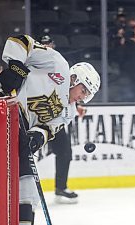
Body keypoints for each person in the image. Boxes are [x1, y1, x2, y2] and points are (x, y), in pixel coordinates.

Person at [0, 34, 100, 225]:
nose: (80, 97)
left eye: (85, 96)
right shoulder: (58, 66)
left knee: (27, 193)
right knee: (17, 192)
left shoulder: (69, 111)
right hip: (0, 115)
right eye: (82, 90)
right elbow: (21, 41)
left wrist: (36, 137)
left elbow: (49, 128)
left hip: (18, 133)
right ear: (74, 79)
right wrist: (15, 66)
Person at [37, 35, 84, 203]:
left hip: (53, 120)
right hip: (33, 118)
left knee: (65, 152)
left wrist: (76, 106)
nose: (48, 47)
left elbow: (67, 92)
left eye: (50, 44)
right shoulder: (35, 66)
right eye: (44, 45)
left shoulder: (60, 68)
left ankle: (61, 187)